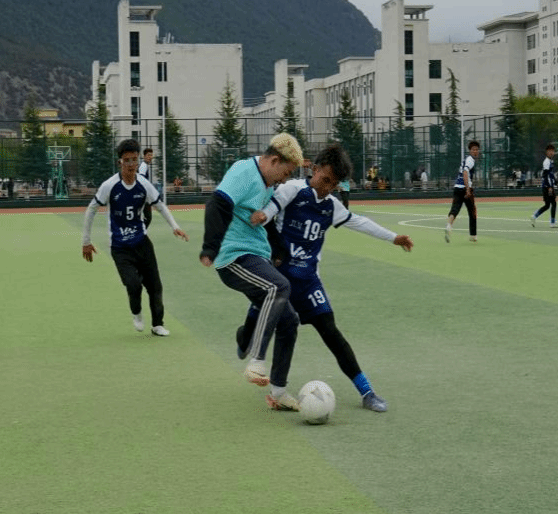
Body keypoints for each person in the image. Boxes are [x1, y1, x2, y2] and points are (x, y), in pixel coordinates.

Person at [234, 144, 413, 413]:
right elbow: (272, 206)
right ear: (315, 169)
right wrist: (263, 215)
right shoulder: (293, 189)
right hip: (279, 278)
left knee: (331, 331)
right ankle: (245, 335)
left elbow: (360, 222)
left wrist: (393, 238)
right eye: (325, 179)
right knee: (256, 331)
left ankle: (367, 392)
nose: (327, 188)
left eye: (334, 184)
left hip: (308, 281)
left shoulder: (332, 206)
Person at [199, 133, 303, 409]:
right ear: (274, 161)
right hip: (234, 256)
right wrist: (210, 248)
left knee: (290, 321)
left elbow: (263, 221)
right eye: (286, 172)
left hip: (256, 255)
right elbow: (217, 204)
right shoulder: (244, 172)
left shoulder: (266, 182)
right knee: (278, 287)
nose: (284, 180)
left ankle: (278, 393)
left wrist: (279, 250)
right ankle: (256, 360)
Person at [82, 139, 189, 336]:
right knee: (133, 285)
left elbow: (160, 205)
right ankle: (137, 313)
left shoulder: (144, 184)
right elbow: (91, 209)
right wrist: (86, 242)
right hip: (120, 247)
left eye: (134, 160)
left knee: (155, 286)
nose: (131, 165)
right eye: (127, 160)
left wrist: (175, 227)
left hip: (142, 243)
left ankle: (157, 324)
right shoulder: (110, 186)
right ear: (120, 162)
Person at [444, 140, 480, 243]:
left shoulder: (466, 159)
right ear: (470, 151)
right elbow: (465, 172)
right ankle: (473, 235)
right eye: (473, 149)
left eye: (477, 149)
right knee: (472, 212)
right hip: (465, 188)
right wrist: (467, 188)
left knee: (455, 209)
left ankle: (448, 226)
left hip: (457, 187)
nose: (475, 151)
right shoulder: (470, 160)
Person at [530, 144, 558, 227]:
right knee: (553, 203)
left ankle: (534, 216)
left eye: (553, 151)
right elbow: (546, 175)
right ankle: (552, 223)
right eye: (550, 151)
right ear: (546, 152)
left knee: (547, 205)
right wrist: (550, 187)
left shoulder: (550, 161)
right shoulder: (546, 162)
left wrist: (556, 182)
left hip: (546, 186)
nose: (551, 152)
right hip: (547, 186)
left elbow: (551, 175)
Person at [138, 147, 155, 228]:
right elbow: (141, 180)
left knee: (146, 217)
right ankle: (140, 232)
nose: (150, 157)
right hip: (142, 195)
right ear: (144, 156)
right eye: (148, 155)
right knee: (148, 217)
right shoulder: (143, 166)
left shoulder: (145, 166)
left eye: (151, 155)